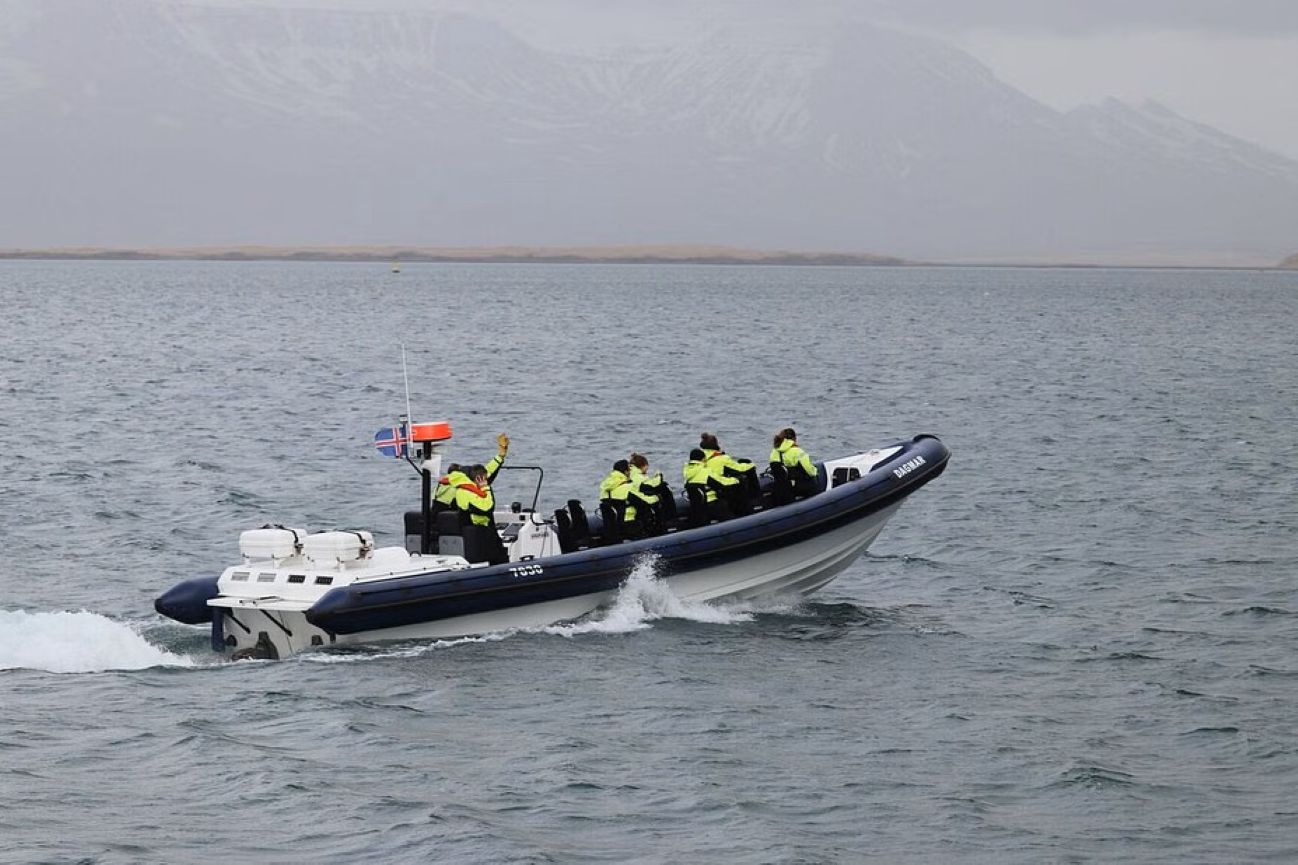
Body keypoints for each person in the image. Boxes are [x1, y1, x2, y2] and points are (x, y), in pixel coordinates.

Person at [453, 463, 509, 565]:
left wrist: (500, 457)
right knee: (500, 554)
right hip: (481, 531)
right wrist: (485, 488)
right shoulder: (471, 493)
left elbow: (489, 470)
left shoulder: (459, 489)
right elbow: (488, 507)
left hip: (469, 531)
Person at [699, 431, 758, 514]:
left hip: (702, 495)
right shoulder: (722, 458)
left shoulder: (699, 460)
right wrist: (752, 464)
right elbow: (741, 469)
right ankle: (755, 502)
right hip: (718, 493)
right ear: (716, 444)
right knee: (741, 479)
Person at [598, 459, 659, 539]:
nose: (630, 472)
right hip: (629, 525)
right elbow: (645, 503)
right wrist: (657, 497)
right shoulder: (627, 488)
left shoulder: (604, 490)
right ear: (625, 472)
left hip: (613, 527)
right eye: (629, 470)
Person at [683, 447, 729, 523]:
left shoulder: (687, 472)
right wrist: (736, 480)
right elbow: (721, 484)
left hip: (697, 505)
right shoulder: (705, 472)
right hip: (711, 503)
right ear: (703, 459)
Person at [770, 427, 818, 497]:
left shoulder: (774, 453)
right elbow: (810, 471)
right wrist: (815, 471)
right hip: (798, 487)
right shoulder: (797, 451)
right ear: (794, 439)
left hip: (782, 488)